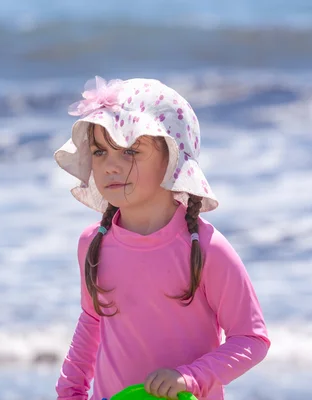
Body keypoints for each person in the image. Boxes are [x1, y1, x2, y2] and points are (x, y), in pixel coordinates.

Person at [53, 77, 270, 400]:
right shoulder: (93, 243)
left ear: (171, 157)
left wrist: (191, 377)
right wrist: (70, 392)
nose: (110, 166)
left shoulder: (206, 248)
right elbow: (92, 323)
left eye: (129, 151)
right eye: (99, 152)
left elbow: (252, 338)